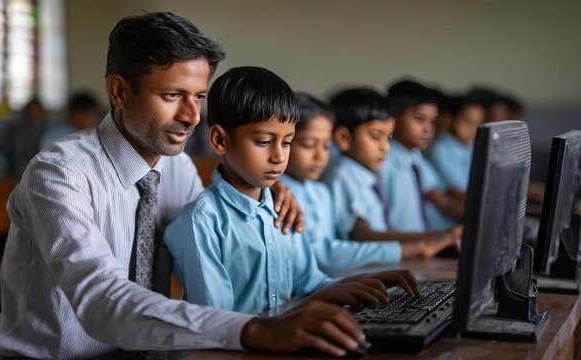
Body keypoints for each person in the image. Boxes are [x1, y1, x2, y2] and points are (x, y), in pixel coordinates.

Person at [0, 12, 381, 358]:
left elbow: (217, 233)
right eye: (173, 95)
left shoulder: (177, 168)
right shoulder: (59, 174)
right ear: (120, 92)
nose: (192, 117)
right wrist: (255, 330)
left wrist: (270, 192)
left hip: (155, 354)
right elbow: (100, 299)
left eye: (199, 97)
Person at [164, 67, 418, 317]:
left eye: (287, 142)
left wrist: (360, 282)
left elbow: (310, 285)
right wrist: (315, 301)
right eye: (264, 142)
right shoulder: (202, 223)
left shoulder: (283, 208)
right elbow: (217, 325)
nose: (278, 156)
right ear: (220, 140)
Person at [320, 88, 460, 256]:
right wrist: (432, 241)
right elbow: (364, 236)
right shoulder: (343, 175)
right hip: (368, 271)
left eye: (388, 138)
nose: (385, 147)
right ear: (344, 138)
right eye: (375, 136)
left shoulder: (363, 174)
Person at [379, 80, 464, 232]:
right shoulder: (382, 160)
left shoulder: (414, 155)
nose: (428, 129)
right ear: (393, 119)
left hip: (422, 244)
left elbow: (444, 204)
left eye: (433, 122)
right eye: (419, 119)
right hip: (401, 249)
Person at [427, 95, 485, 201]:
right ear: (451, 119)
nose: (474, 129)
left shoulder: (471, 145)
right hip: (447, 213)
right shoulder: (440, 149)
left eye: (478, 123)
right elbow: (454, 190)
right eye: (468, 122)